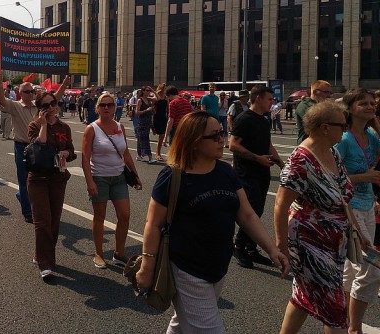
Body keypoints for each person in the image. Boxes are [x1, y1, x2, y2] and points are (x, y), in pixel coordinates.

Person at [136, 111, 289, 333]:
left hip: (218, 265)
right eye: (215, 136)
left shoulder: (225, 171)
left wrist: (272, 249)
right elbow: (153, 224)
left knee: (183, 322)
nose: (223, 140)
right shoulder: (173, 176)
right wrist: (147, 267)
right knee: (209, 328)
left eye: (222, 133)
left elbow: (246, 215)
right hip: (187, 267)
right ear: (194, 142)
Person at [274, 100, 360, 333]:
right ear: (324, 127)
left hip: (333, 242)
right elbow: (281, 204)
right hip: (309, 242)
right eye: (342, 125)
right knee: (335, 308)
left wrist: (358, 231)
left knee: (303, 295)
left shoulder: (330, 151)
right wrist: (281, 246)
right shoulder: (302, 159)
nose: (346, 129)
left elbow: (343, 196)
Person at [334, 88, 380, 334]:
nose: (371, 106)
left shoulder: (372, 136)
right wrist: (365, 176)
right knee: (370, 269)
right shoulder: (343, 140)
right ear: (350, 108)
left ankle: (340, 320)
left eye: (373, 103)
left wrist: (375, 123)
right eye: (364, 103)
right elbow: (330, 176)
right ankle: (354, 328)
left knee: (352, 268)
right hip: (348, 207)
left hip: (367, 206)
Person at [0, 71, 69, 224]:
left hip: (39, 147)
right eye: (26, 92)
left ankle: (23, 196)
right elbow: (1, 99)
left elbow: (56, 98)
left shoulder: (39, 106)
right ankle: (28, 212)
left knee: (37, 178)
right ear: (20, 93)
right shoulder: (15, 105)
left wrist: (65, 83)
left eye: (32, 91)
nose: (30, 94)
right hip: (22, 146)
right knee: (24, 180)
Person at [82, 92, 141, 269]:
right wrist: (90, 182)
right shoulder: (91, 129)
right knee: (100, 216)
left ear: (115, 107)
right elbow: (85, 158)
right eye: (103, 105)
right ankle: (99, 254)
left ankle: (119, 253)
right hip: (99, 177)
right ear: (97, 108)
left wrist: (135, 175)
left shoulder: (119, 127)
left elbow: (126, 153)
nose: (106, 108)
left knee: (124, 216)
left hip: (119, 177)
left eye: (110, 105)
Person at [229, 85, 285, 269]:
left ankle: (251, 248)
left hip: (262, 172)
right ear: (259, 98)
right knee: (251, 210)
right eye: (269, 99)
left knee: (258, 210)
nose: (272, 102)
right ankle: (239, 246)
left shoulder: (264, 120)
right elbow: (233, 145)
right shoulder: (244, 119)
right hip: (245, 173)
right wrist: (257, 158)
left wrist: (282, 164)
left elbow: (267, 145)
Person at [26, 92, 76, 278]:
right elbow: (40, 145)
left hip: (58, 178)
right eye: (45, 105)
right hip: (38, 178)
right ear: (40, 109)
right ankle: (46, 263)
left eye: (52, 103)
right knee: (42, 221)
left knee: (54, 221)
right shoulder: (34, 125)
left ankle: (41, 253)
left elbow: (71, 150)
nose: (50, 108)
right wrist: (44, 124)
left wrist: (66, 154)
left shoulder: (64, 127)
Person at [295, 80, 332, 145]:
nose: (329, 96)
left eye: (330, 93)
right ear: (315, 92)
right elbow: (316, 121)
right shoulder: (304, 105)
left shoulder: (325, 106)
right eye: (326, 92)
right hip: (308, 146)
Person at [135, 86, 156, 164]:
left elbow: (157, 98)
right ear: (143, 91)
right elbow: (137, 112)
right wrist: (146, 110)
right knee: (145, 139)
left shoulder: (149, 99)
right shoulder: (140, 100)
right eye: (147, 90)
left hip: (148, 121)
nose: (148, 92)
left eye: (149, 90)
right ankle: (150, 157)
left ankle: (139, 155)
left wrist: (153, 90)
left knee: (141, 138)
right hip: (142, 121)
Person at [153, 84, 169, 161]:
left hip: (164, 118)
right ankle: (157, 153)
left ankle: (158, 153)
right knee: (161, 135)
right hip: (157, 117)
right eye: (164, 88)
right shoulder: (156, 96)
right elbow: (154, 103)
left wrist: (169, 117)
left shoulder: (166, 97)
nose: (165, 89)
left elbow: (168, 107)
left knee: (162, 136)